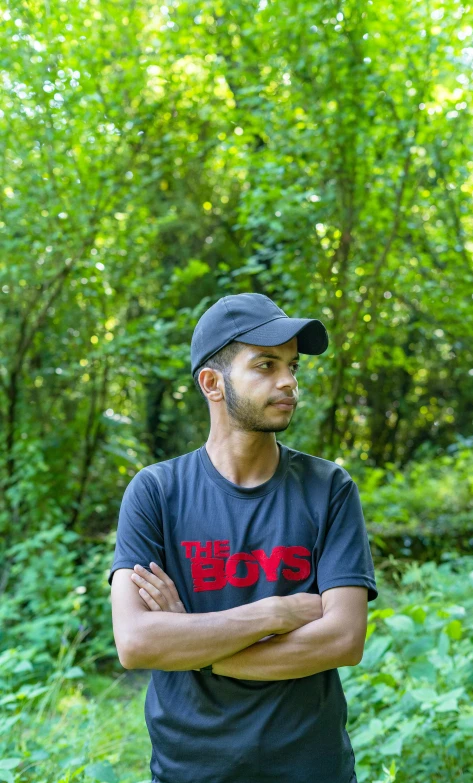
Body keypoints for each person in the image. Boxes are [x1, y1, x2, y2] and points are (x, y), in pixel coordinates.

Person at [108, 292, 379, 783]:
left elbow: (342, 639)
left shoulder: (329, 489)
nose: (289, 382)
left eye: (293, 366)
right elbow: (136, 641)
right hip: (190, 771)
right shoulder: (156, 492)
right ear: (212, 383)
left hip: (311, 770)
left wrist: (198, 649)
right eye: (266, 365)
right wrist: (275, 613)